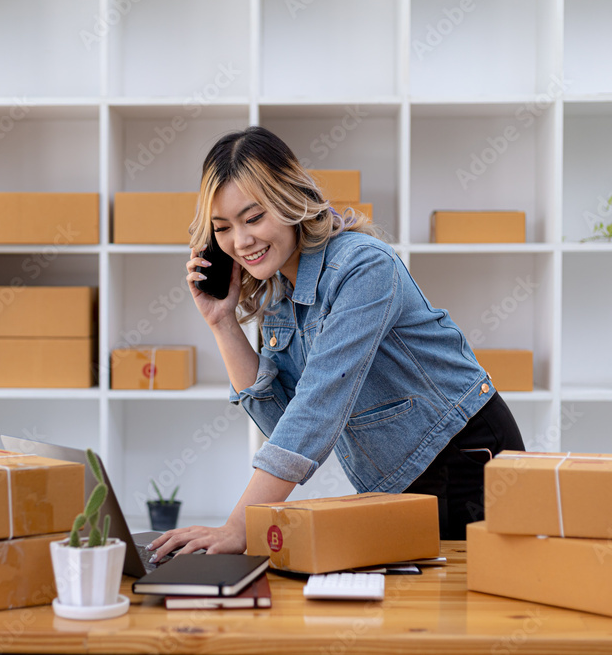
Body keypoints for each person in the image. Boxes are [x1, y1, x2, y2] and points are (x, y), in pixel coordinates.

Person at [146, 126, 524, 562]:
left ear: (289, 200)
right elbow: (280, 423)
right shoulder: (281, 298)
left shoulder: (363, 267)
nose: (241, 241)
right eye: (223, 228)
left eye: (253, 218)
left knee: (468, 608)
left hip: (464, 454)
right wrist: (221, 323)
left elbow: (316, 410)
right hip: (396, 478)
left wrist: (239, 528)